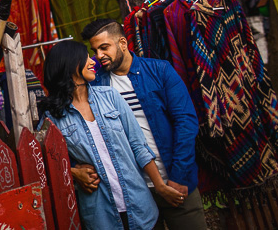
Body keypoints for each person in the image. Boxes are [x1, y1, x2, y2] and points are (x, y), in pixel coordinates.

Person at [78, 19, 206, 230]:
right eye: (95, 50)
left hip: (176, 184)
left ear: (122, 42)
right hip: (134, 194)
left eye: (104, 47)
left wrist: (178, 177)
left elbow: (186, 123)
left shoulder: (159, 71)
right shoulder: (97, 83)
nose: (98, 56)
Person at [39, 41, 182, 230]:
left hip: (141, 208)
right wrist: (74, 173)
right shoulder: (53, 117)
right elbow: (41, 163)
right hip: (101, 217)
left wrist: (160, 187)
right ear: (70, 65)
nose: (93, 62)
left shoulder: (110, 96)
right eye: (86, 58)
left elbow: (139, 145)